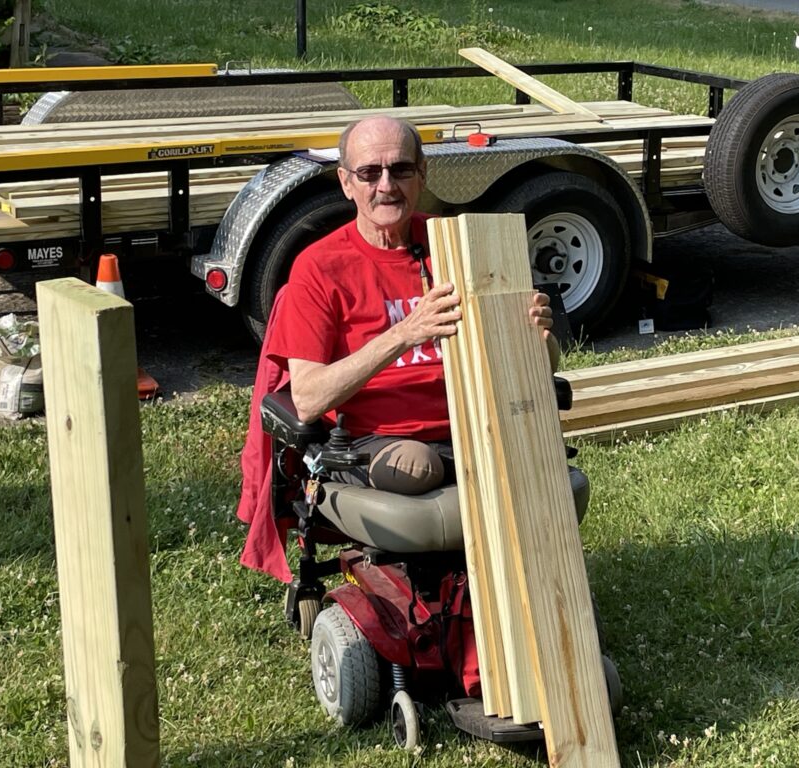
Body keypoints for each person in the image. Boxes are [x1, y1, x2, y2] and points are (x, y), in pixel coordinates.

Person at [236, 115, 558, 582]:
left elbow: (543, 370)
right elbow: (306, 398)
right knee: (419, 467)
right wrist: (405, 333)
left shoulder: (454, 247)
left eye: (401, 170)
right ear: (347, 183)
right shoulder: (319, 268)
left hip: (473, 420)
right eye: (369, 173)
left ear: (422, 175)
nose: (386, 185)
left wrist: (537, 339)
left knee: (550, 471)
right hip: (377, 440)